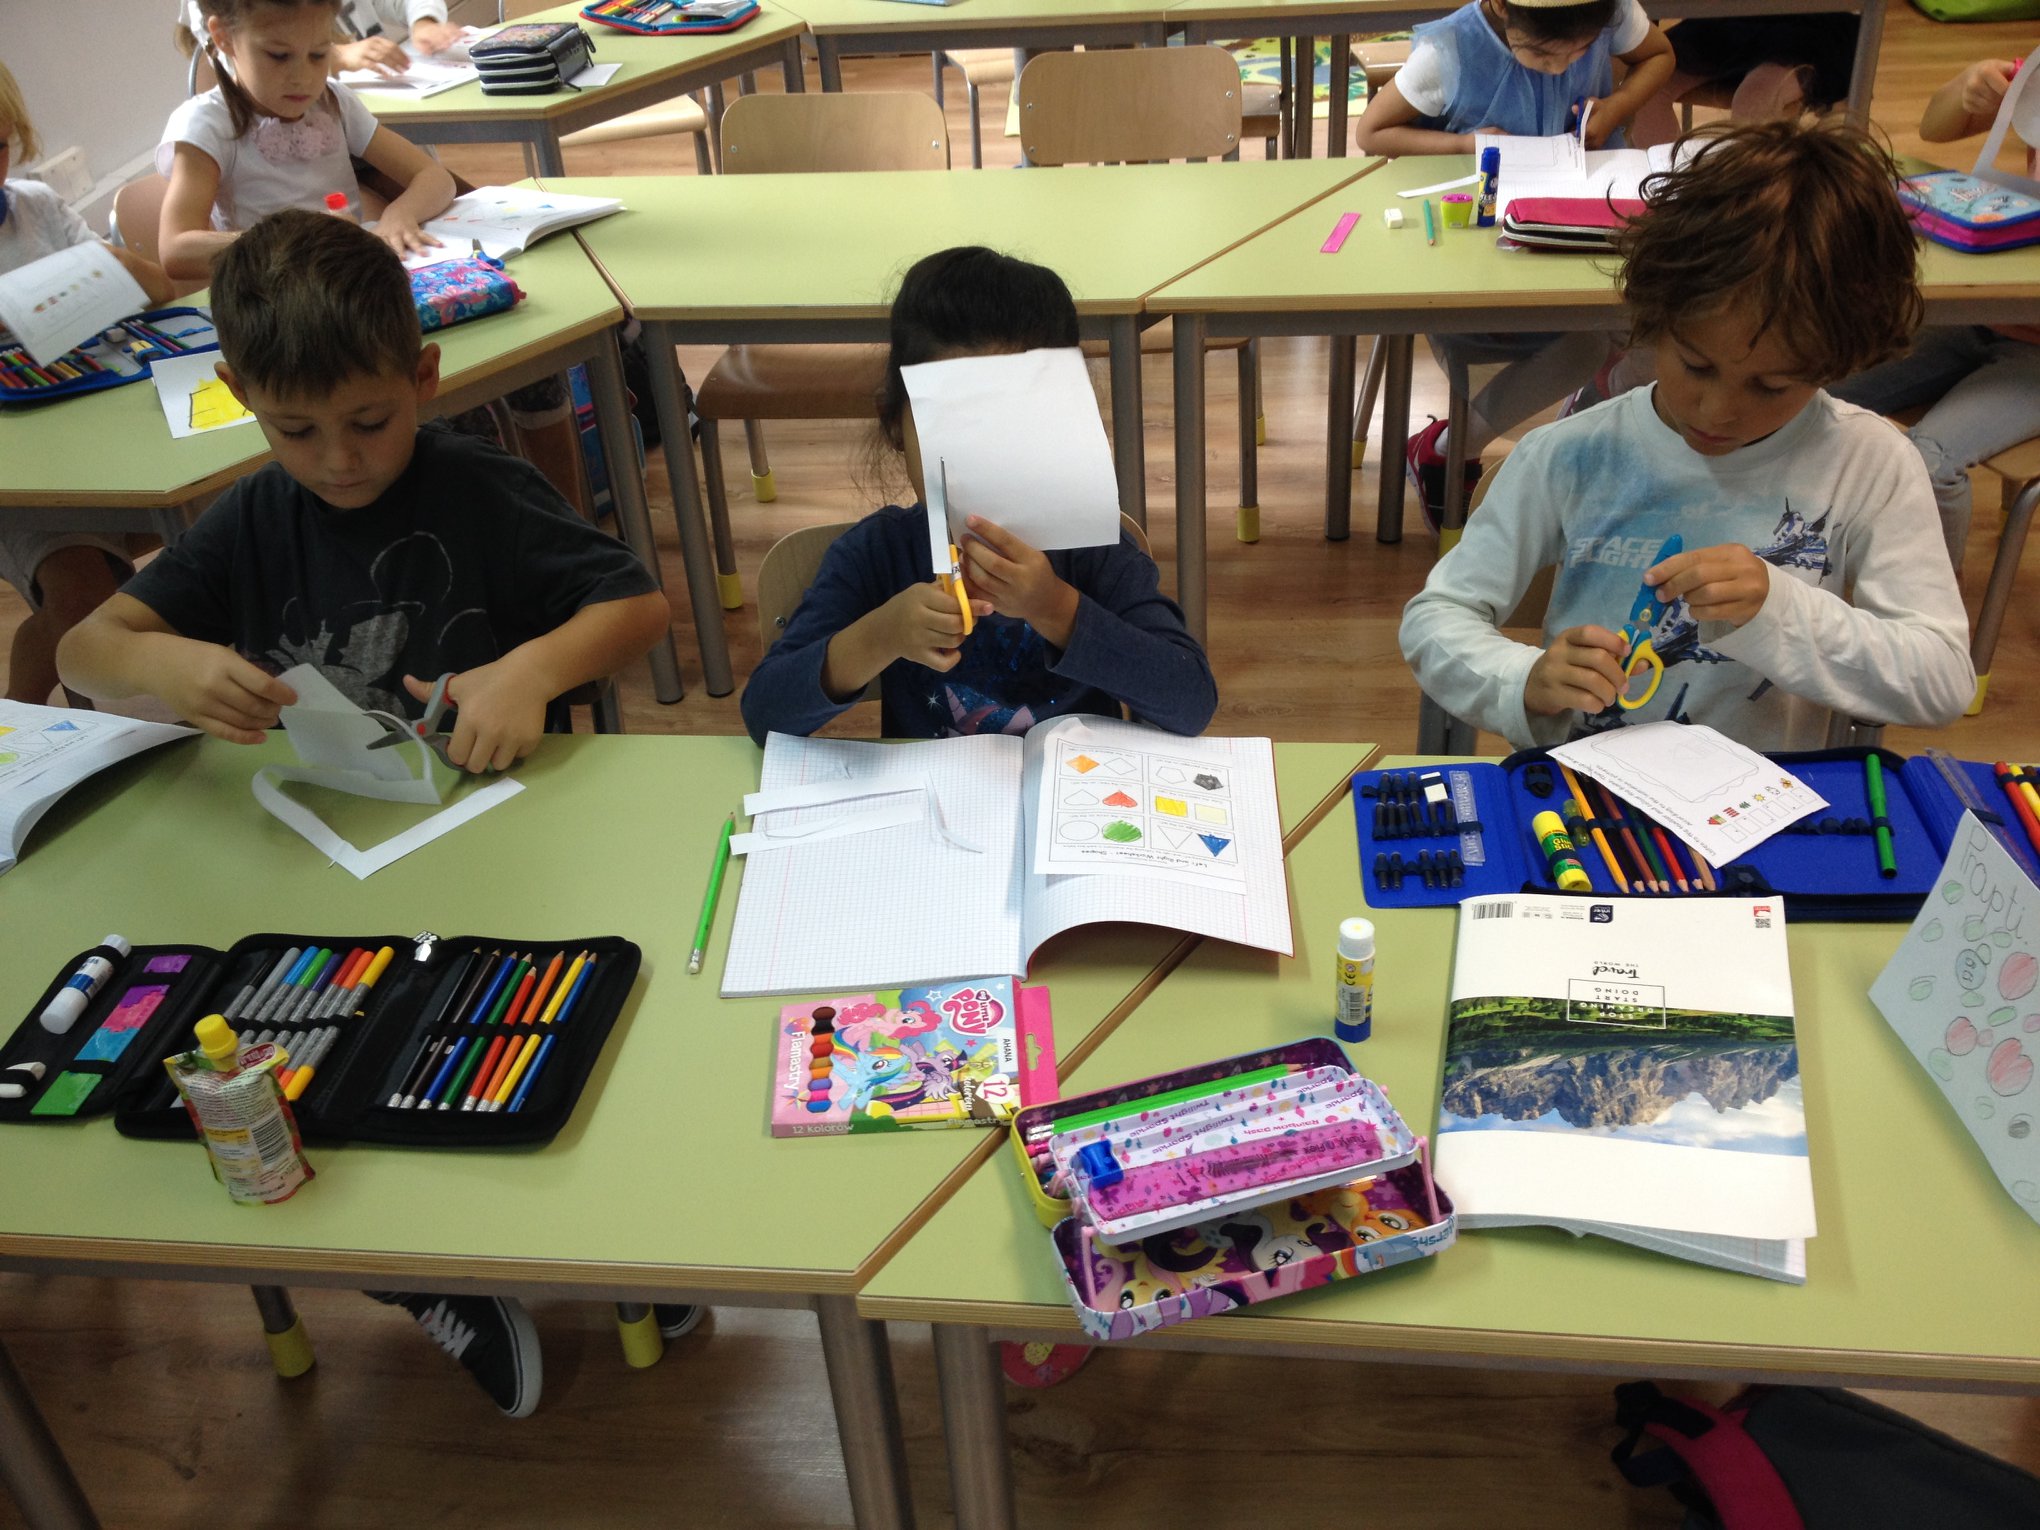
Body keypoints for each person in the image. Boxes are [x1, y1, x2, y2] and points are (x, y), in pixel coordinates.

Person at [57, 210, 676, 1411]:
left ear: (423, 378)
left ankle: (588, 1253)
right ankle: (413, 1274)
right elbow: (87, 648)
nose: (338, 459)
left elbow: (636, 606)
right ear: (243, 397)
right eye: (296, 430)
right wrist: (164, 663)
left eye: (369, 421)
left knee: (497, 1064)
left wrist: (532, 672)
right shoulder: (253, 517)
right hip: (323, 871)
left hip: (505, 854)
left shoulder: (479, 489)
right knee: (304, 1082)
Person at [1400, 120, 1975, 752]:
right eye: (1697, 365)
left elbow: (1942, 678)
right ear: (1655, 319)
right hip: (1582, 789)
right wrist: (1524, 678)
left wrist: (1780, 609)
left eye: (1771, 386)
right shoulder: (1573, 455)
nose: (1718, 411)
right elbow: (1436, 618)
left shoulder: (1870, 464)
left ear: (1835, 364)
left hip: (1768, 795)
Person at [741, 246, 1217, 745]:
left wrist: (1056, 608)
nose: (990, 455)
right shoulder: (875, 555)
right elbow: (765, 715)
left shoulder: (1094, 549)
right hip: (933, 793)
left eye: (1020, 423)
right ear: (895, 425)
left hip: (1082, 786)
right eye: (955, 427)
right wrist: (880, 635)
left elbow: (1191, 702)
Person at [1354, 0, 1675, 524]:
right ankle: (1447, 450)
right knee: (1586, 346)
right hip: (1483, 256)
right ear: (1500, 7)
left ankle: (1578, 435)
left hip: (1586, 226)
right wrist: (1466, 143)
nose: (1562, 68)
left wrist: (1617, 107)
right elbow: (1371, 133)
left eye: (1582, 52)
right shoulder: (1452, 51)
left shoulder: (1609, 9)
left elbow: (1659, 55)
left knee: (1661, 334)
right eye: (1545, 55)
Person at [0, 59, 173, 704]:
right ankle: (77, 739)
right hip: (21, 476)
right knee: (84, 603)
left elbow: (158, 288)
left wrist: (106, 265)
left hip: (100, 434)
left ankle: (20, 718)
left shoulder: (35, 208)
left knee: (213, 533)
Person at [1830, 51, 2040, 578]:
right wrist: (1969, 88)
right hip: (1983, 313)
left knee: (1929, 464)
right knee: (1809, 387)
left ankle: (1930, 617)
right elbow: (1934, 125)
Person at [160, 0, 455, 280]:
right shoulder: (207, 124)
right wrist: (299, 238)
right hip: (274, 295)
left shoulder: (333, 101)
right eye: (279, 56)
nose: (302, 77)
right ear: (223, 37)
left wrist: (399, 214)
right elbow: (176, 250)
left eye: (319, 54)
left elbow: (435, 177)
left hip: (347, 280)